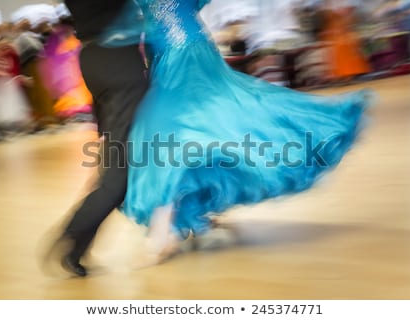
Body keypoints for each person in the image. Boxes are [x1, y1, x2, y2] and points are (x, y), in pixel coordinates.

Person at [119, 0, 372, 265]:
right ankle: (182, 216)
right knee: (190, 130)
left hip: (182, 53)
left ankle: (163, 229)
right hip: (174, 51)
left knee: (171, 131)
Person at [43, 0, 148, 277]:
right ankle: (71, 233)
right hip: (118, 62)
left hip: (94, 57)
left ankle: (76, 248)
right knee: (119, 177)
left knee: (116, 166)